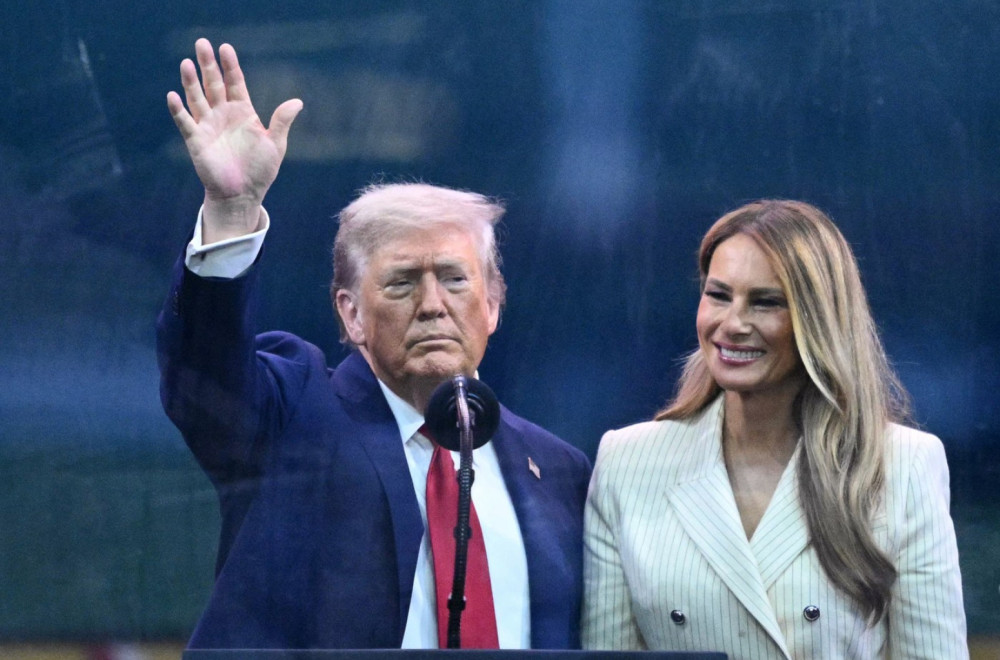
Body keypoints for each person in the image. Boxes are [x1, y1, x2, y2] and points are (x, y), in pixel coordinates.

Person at [157, 38, 591, 650]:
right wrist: (231, 213)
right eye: (402, 283)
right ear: (351, 313)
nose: (433, 303)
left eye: (455, 279)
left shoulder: (558, 469)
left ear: (493, 305)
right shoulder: (292, 415)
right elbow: (206, 373)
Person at [581, 200, 967, 659]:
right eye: (718, 295)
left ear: (818, 318)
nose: (733, 324)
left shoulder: (903, 464)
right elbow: (608, 652)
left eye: (765, 302)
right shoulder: (626, 462)